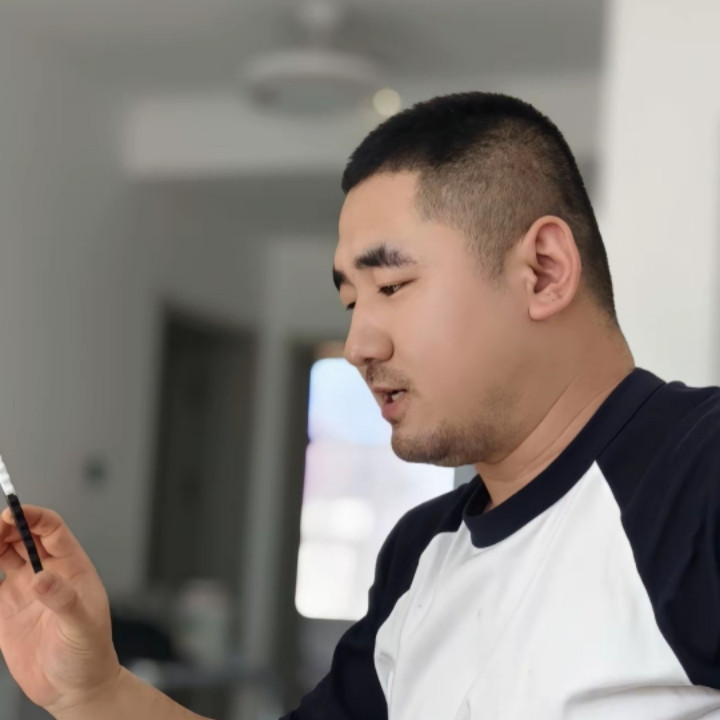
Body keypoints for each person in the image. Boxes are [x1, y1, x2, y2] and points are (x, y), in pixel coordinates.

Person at [1, 92, 719, 720]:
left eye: (392, 287)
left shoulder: (699, 479)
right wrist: (92, 691)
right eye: (351, 301)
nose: (357, 345)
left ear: (544, 271)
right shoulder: (421, 553)